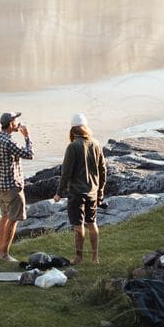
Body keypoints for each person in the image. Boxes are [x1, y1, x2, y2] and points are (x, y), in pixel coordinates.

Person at [55, 112, 108, 265]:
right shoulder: (96, 143)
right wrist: (100, 192)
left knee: (78, 226)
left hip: (76, 193)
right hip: (92, 191)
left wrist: (59, 192)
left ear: (72, 130)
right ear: (86, 128)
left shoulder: (72, 146)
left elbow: (66, 173)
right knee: (92, 223)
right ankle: (95, 258)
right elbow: (103, 169)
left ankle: (78, 257)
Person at [0, 110, 32, 264]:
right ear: (11, 123)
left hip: (0, 186)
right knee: (13, 220)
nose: (18, 123)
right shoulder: (9, 142)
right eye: (16, 121)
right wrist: (26, 136)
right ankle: (5, 254)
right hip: (13, 186)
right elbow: (29, 154)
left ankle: (0, 251)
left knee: (4, 217)